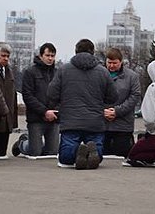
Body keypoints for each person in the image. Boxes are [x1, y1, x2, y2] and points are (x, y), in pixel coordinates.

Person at [47, 39, 118, 169]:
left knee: (66, 156)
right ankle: (93, 152)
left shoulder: (64, 70)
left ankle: (75, 153)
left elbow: (51, 94)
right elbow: (113, 96)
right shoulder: (103, 72)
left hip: (70, 120)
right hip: (95, 121)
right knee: (97, 148)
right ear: (93, 52)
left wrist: (60, 105)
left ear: (76, 51)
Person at [12, 43, 59, 157]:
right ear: (41, 55)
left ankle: (31, 142)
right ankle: (22, 144)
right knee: (35, 152)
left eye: (52, 56)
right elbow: (28, 96)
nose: (50, 58)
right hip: (36, 118)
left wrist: (55, 111)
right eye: (47, 55)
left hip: (54, 117)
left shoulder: (57, 73)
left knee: (52, 152)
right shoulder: (31, 72)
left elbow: (62, 95)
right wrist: (44, 111)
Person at [103, 48, 141, 158]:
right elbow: (92, 95)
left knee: (122, 155)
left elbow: (134, 96)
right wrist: (103, 111)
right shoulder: (99, 74)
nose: (111, 66)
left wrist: (117, 111)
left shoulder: (132, 77)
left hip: (123, 125)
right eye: (109, 62)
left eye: (115, 63)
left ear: (121, 62)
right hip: (102, 124)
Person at [0, 42, 18, 159]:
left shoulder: (9, 72)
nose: (6, 59)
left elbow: (13, 95)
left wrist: (14, 120)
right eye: (3, 56)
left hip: (7, 117)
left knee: (2, 152)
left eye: (8, 56)